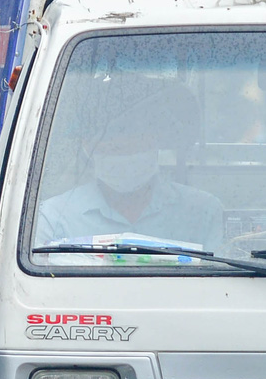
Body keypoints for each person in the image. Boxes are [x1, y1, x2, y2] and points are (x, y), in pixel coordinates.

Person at [35, 82, 227, 253]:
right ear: (88, 146)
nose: (124, 147)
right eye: (113, 143)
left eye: (135, 137)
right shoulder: (55, 219)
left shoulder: (203, 212)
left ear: (156, 140)